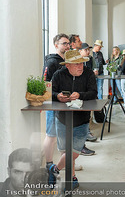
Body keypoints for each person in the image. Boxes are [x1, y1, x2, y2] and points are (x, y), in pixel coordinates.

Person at [50, 50, 98, 189]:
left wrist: (80, 95)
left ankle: (55, 169)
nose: (80, 66)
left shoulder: (88, 74)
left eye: (81, 63)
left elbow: (94, 93)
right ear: (68, 66)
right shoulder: (59, 74)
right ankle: (72, 179)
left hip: (82, 120)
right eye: (76, 64)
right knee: (66, 152)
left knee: (74, 153)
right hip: (62, 118)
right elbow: (50, 92)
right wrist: (57, 96)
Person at [42, 33, 70, 172]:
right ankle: (48, 164)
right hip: (53, 105)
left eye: (68, 43)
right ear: (56, 45)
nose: (67, 46)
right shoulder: (51, 62)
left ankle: (65, 164)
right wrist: (55, 96)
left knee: (64, 137)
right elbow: (46, 85)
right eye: (64, 43)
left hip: (66, 104)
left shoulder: (67, 60)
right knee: (51, 136)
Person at [79, 42, 98, 143]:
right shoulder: (76, 61)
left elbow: (94, 69)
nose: (88, 52)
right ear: (80, 51)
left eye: (88, 50)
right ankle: (84, 133)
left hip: (89, 90)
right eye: (85, 50)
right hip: (80, 91)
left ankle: (87, 131)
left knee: (87, 112)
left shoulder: (90, 59)